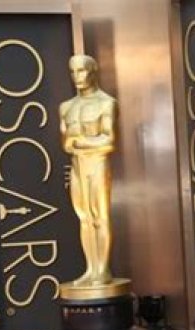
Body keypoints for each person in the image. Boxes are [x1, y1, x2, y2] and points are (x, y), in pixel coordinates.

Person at [59, 54, 117, 287]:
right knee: (84, 218)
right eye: (72, 71)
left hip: (97, 164)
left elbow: (110, 141)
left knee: (100, 216)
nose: (77, 76)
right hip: (77, 166)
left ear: (93, 72)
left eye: (81, 70)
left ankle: (103, 270)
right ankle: (91, 269)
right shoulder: (66, 107)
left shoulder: (106, 103)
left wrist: (82, 142)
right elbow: (65, 142)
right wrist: (74, 144)